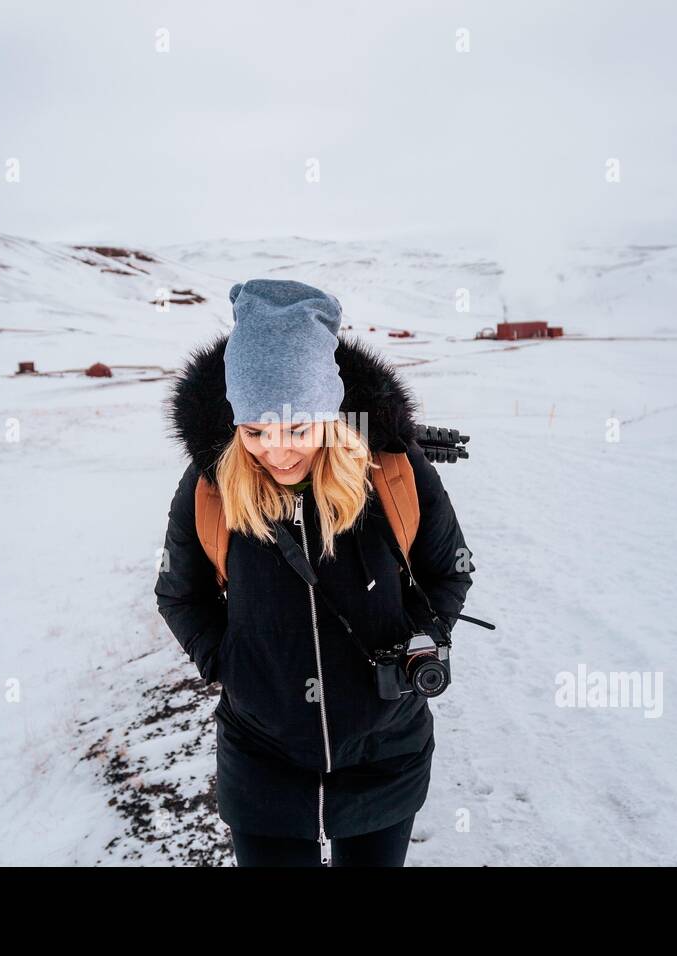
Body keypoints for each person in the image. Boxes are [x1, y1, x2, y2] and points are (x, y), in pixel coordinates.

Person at [154, 278, 475, 866]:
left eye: (297, 428)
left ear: (329, 411)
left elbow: (449, 571)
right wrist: (232, 665)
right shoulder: (210, 485)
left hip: (384, 749)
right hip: (262, 758)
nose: (276, 453)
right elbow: (180, 594)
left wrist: (421, 638)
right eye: (254, 432)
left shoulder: (393, 473)